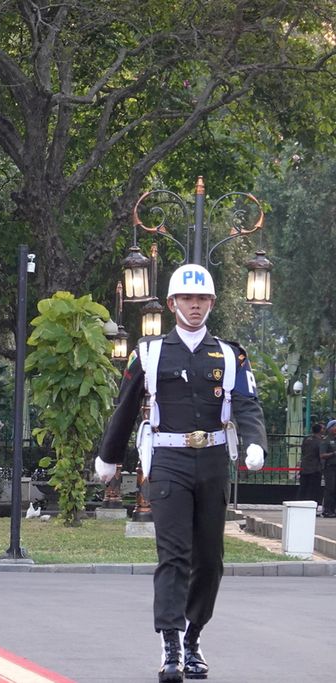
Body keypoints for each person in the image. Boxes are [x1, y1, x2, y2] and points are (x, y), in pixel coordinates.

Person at [95, 263, 266, 683]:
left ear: (211, 303)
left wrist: (255, 440)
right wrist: (109, 456)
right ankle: (170, 643)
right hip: (168, 461)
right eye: (187, 299)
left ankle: (194, 637)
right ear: (172, 304)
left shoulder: (229, 353)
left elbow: (246, 403)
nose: (195, 306)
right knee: (173, 556)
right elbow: (125, 405)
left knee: (210, 561)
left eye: (203, 299)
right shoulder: (149, 352)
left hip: (211, 461)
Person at [298, 422, 324, 508]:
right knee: (313, 490)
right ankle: (311, 507)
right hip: (315, 469)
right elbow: (320, 454)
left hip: (304, 467)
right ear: (320, 431)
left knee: (303, 489)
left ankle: (299, 506)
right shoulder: (320, 441)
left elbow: (303, 451)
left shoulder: (306, 439)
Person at [319, 420, 336, 517]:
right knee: (330, 488)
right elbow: (322, 455)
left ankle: (333, 509)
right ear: (330, 428)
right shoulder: (326, 440)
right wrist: (333, 454)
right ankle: (327, 510)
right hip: (329, 468)